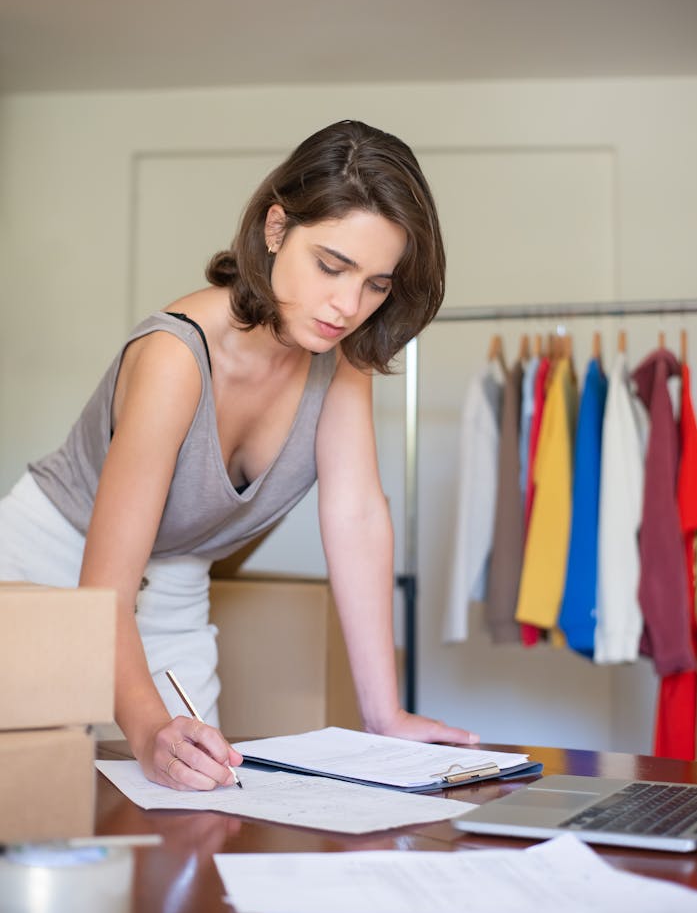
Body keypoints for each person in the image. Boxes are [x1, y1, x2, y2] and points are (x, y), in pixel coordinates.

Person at [0, 119, 478, 792]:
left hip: (176, 580)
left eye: (376, 284)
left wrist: (386, 714)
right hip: (48, 561)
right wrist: (146, 728)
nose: (347, 305)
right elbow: (102, 586)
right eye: (331, 265)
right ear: (276, 229)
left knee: (199, 798)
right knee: (37, 798)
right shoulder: (175, 358)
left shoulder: (340, 360)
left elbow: (357, 515)